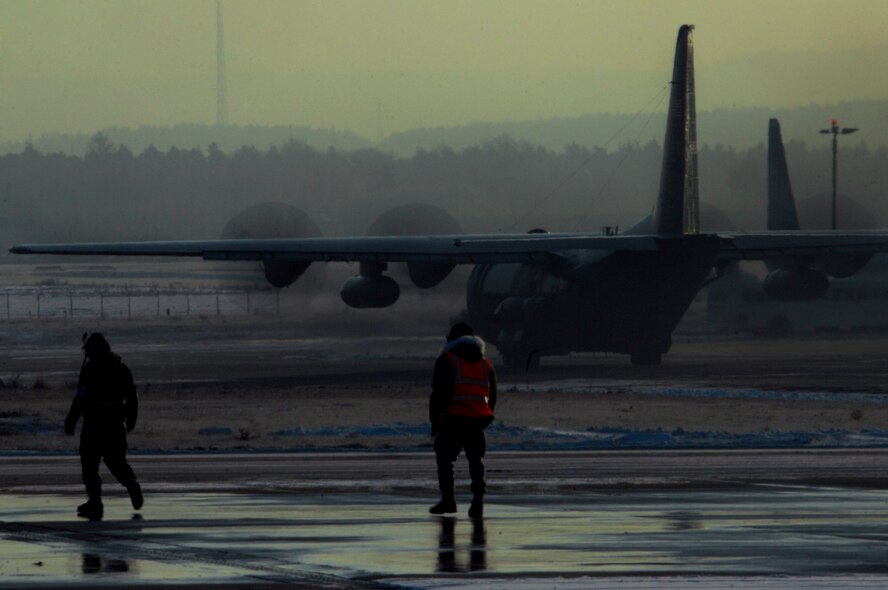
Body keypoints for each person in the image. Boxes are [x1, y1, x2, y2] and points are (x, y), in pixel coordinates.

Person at [65, 333, 142, 519]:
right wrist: (131, 419)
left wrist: (71, 420)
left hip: (98, 425)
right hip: (110, 425)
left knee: (96, 464)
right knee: (109, 462)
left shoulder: (92, 370)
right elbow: (132, 396)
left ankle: (99, 500)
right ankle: (125, 487)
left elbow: (81, 398)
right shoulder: (120, 368)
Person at [428, 322, 496, 518]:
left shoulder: (447, 360)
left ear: (452, 340)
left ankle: (448, 500)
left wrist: (435, 421)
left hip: (453, 420)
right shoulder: (485, 363)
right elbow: (493, 396)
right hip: (477, 422)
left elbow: (439, 394)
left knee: (445, 460)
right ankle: (478, 502)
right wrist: (485, 415)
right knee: (477, 462)